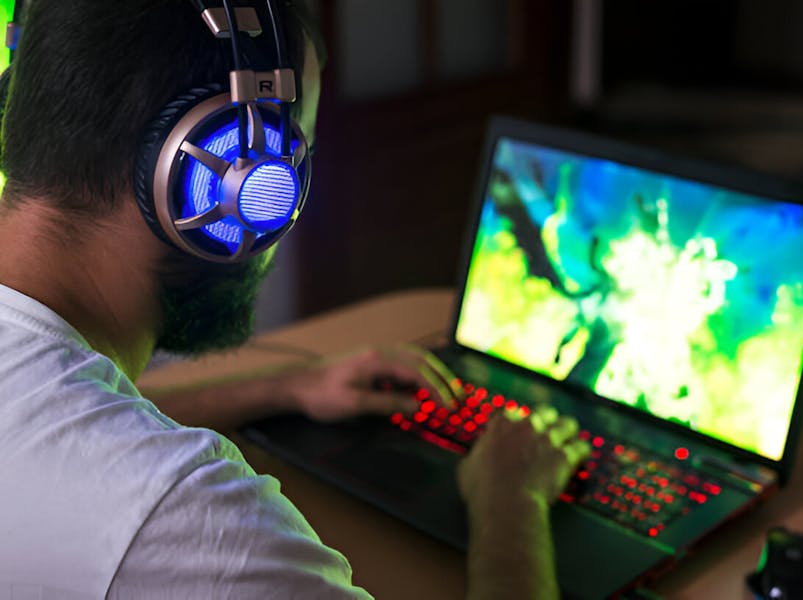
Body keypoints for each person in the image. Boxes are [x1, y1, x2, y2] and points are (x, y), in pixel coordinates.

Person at [0, 1, 590, 598]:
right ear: (236, 174)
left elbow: (67, 419)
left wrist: (287, 387)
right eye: (292, 148)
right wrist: (511, 502)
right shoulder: (190, 525)